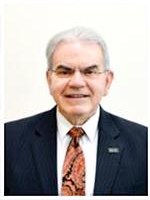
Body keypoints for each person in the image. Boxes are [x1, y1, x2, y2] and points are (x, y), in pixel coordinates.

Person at [5, 26, 147, 196]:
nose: (77, 82)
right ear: (49, 80)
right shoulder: (7, 140)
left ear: (107, 82)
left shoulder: (144, 144)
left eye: (90, 72)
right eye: (65, 71)